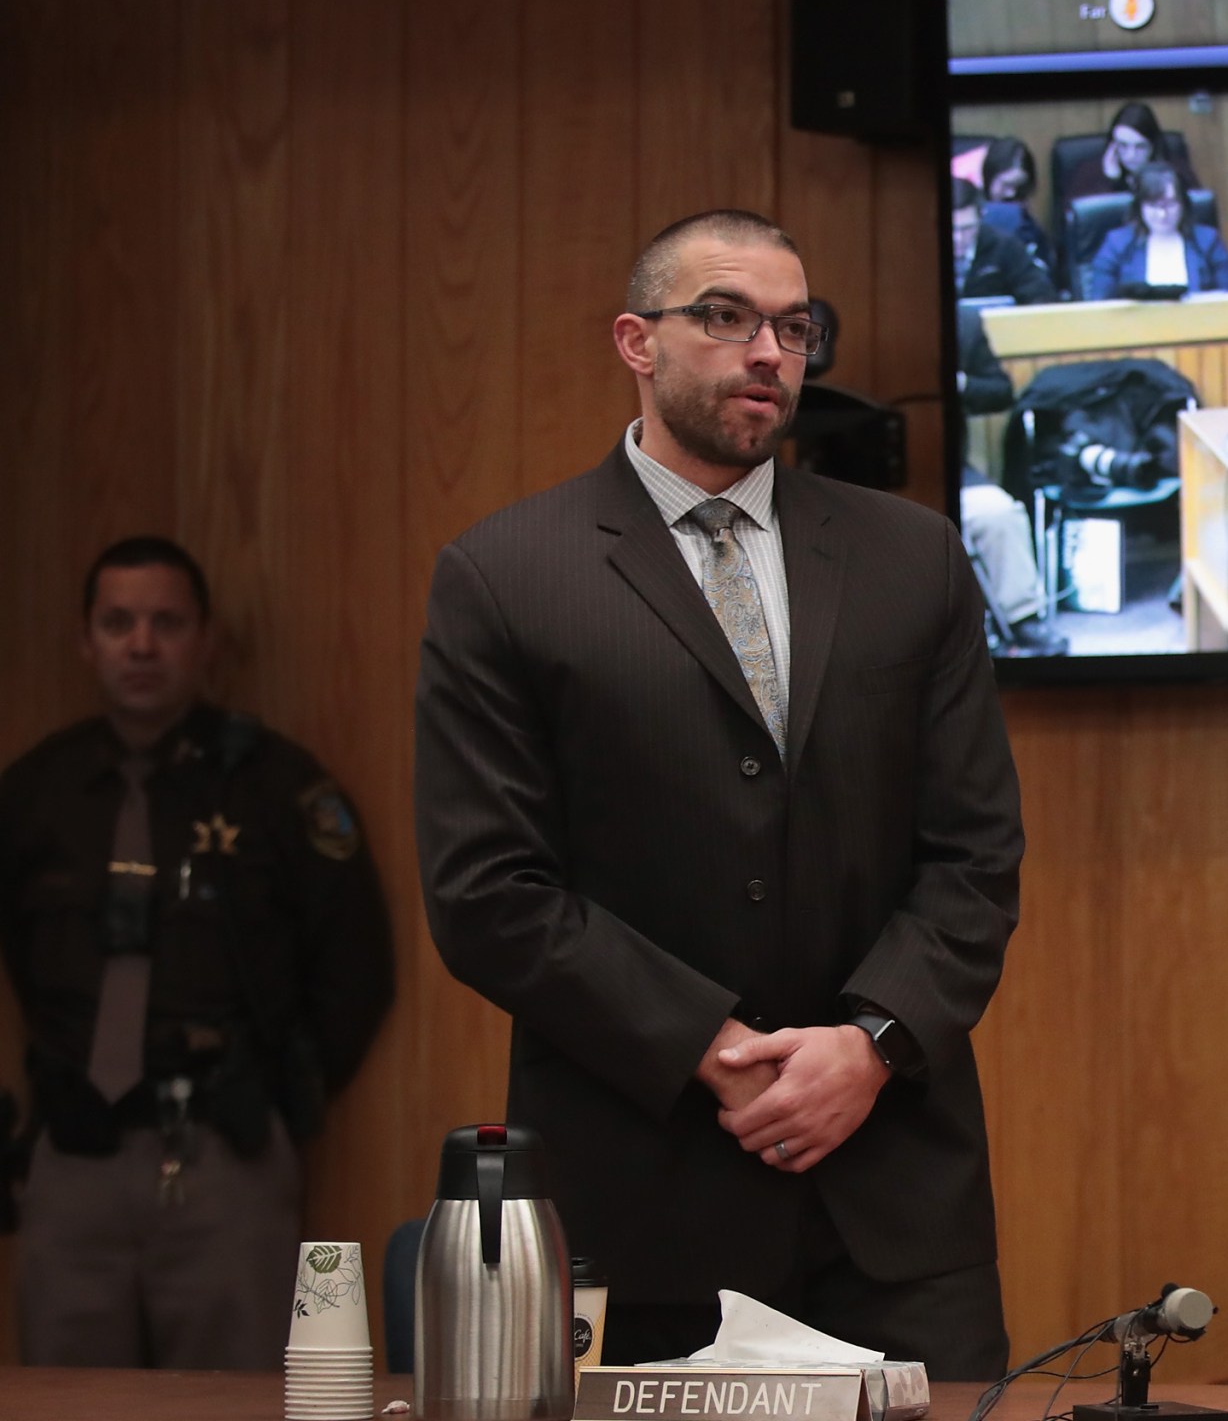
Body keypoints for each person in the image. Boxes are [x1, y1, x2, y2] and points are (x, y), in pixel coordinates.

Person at [414, 210, 1024, 1377]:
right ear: (636, 342)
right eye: (727, 317)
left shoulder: (910, 558)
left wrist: (870, 1043)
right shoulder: (506, 576)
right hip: (645, 1207)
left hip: (894, 1201)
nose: (769, 353)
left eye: (795, 327)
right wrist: (714, 1045)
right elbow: (487, 891)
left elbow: (974, 855)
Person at [1, 537, 393, 1368]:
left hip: (226, 1157)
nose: (141, 644)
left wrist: (285, 1091)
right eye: (118, 623)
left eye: (166, 622)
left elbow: (356, 965)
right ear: (86, 640)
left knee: (231, 1398)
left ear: (206, 640)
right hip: (73, 1160)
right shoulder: (35, 793)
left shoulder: (278, 788)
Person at [952, 307, 1068, 658]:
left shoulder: (963, 322)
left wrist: (960, 383)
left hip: (955, 469)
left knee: (1000, 514)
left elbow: (1000, 391)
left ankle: (1023, 619)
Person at [1082, 161, 1228, 299]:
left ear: (1183, 204)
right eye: (1153, 206)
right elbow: (1100, 304)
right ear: (1139, 207)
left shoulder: (1208, 241)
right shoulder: (1116, 244)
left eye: (1170, 204)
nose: (1162, 214)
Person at [1058, 101, 1198, 205]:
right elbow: (1078, 228)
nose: (1130, 156)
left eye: (1140, 147)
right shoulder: (1089, 174)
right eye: (1123, 146)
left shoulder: (1176, 171)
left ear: (1153, 146)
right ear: (1112, 144)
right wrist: (1110, 182)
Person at [953, 178, 1057, 306]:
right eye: (950, 229)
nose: (957, 238)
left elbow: (1041, 294)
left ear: (981, 216)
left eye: (967, 228)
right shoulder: (923, 252)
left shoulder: (1004, 246)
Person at [977, 137, 1053, 280]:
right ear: (989, 178)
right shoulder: (970, 219)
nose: (1011, 193)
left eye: (1019, 185)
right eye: (1006, 185)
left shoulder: (1029, 227)